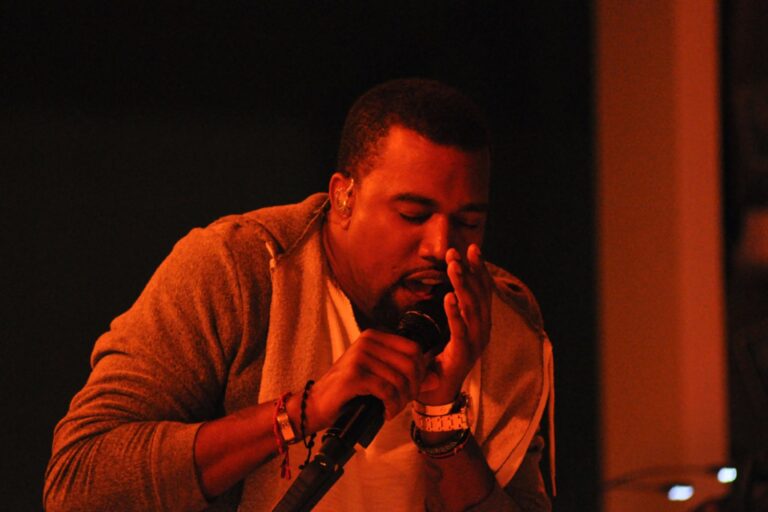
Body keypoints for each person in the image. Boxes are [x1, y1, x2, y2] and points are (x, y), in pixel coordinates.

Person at [44, 78, 555, 511]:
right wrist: (301, 412)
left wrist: (443, 419)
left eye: (468, 223)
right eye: (412, 215)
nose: (441, 247)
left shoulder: (506, 325)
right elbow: (78, 483)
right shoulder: (239, 269)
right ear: (343, 197)